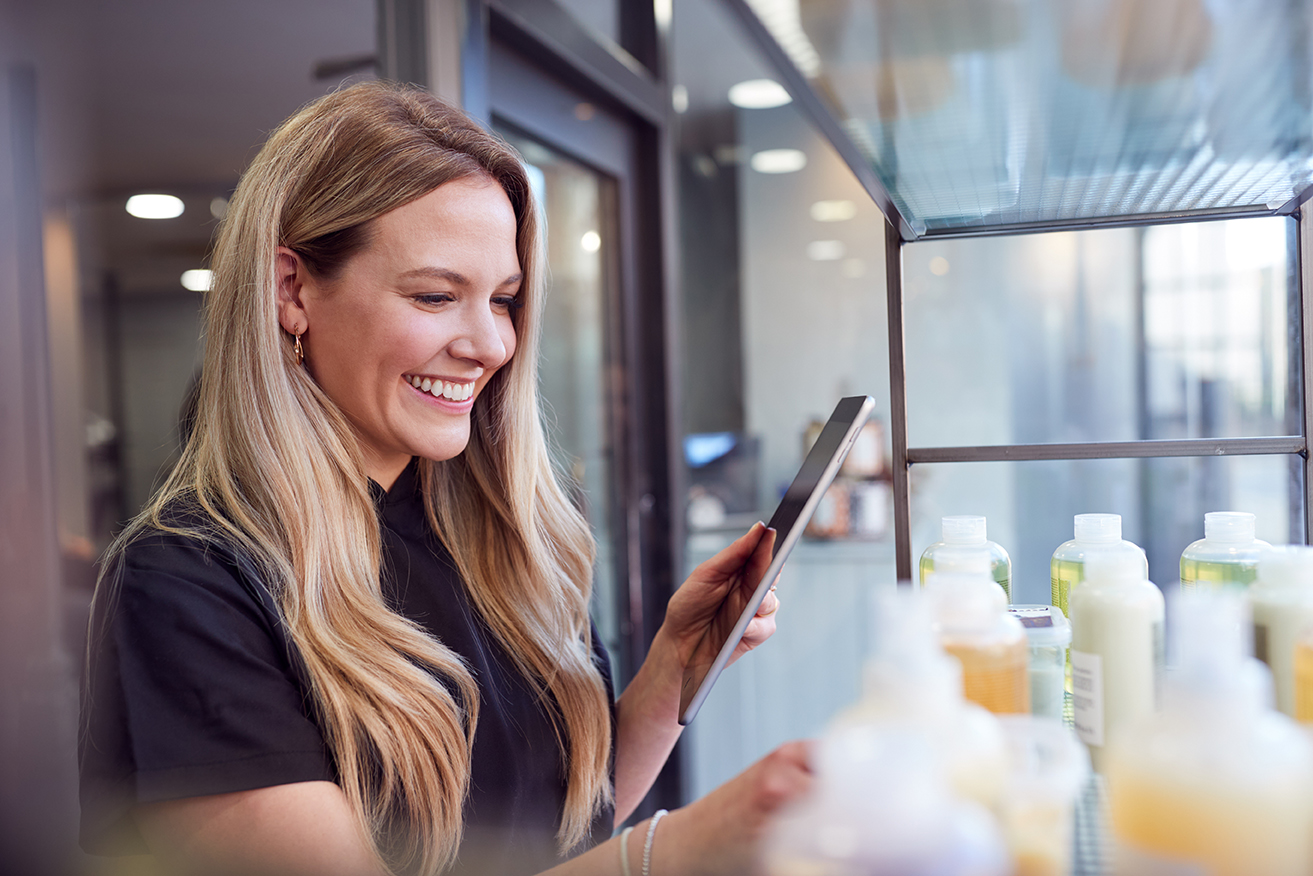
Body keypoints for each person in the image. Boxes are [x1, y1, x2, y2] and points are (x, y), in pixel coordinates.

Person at [79, 80, 811, 876]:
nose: (491, 345)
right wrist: (673, 852)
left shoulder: (500, 530)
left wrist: (673, 668)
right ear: (291, 290)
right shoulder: (189, 582)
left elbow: (566, 820)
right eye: (435, 296)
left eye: (503, 300)